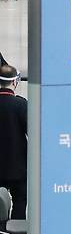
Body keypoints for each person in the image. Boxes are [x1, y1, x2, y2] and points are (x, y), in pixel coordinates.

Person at [0, 64, 27, 220]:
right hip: (18, 168)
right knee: (20, 201)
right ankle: (16, 232)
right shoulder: (21, 105)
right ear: (15, 82)